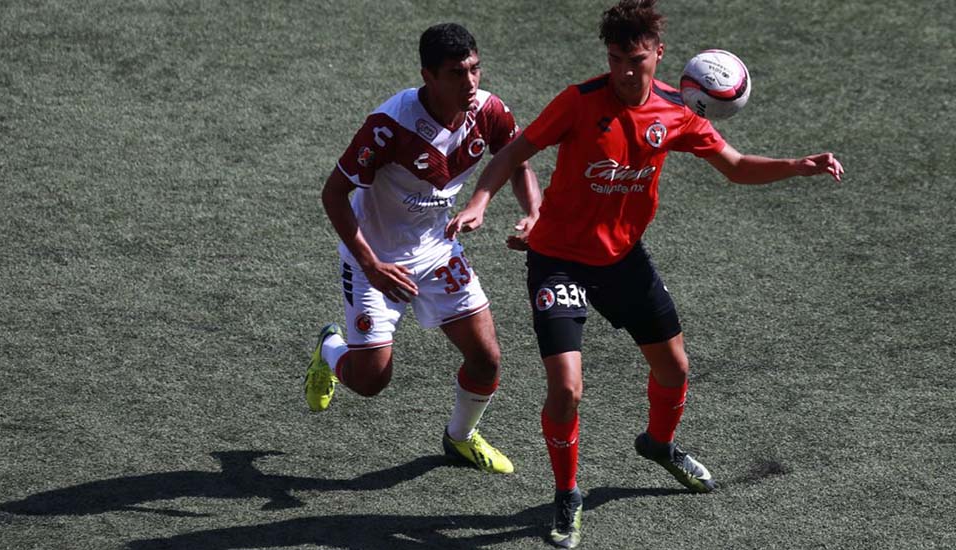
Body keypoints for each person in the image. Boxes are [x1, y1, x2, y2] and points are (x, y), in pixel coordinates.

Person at [445, 1, 844, 547]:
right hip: (558, 258)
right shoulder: (580, 101)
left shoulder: (679, 111)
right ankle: (568, 494)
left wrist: (797, 166)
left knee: (675, 370)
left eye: (635, 60)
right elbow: (515, 150)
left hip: (624, 259)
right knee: (567, 389)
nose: (624, 72)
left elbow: (735, 167)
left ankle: (658, 444)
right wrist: (481, 201)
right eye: (615, 59)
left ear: (659, 54)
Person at [305, 23, 542, 475]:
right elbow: (333, 194)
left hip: (438, 249)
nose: (470, 82)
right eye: (457, 73)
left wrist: (533, 212)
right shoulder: (390, 126)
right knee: (371, 380)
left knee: (486, 357)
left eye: (474, 69)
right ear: (428, 76)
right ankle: (331, 349)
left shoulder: (488, 110)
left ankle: (460, 438)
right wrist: (371, 264)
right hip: (376, 256)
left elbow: (517, 162)